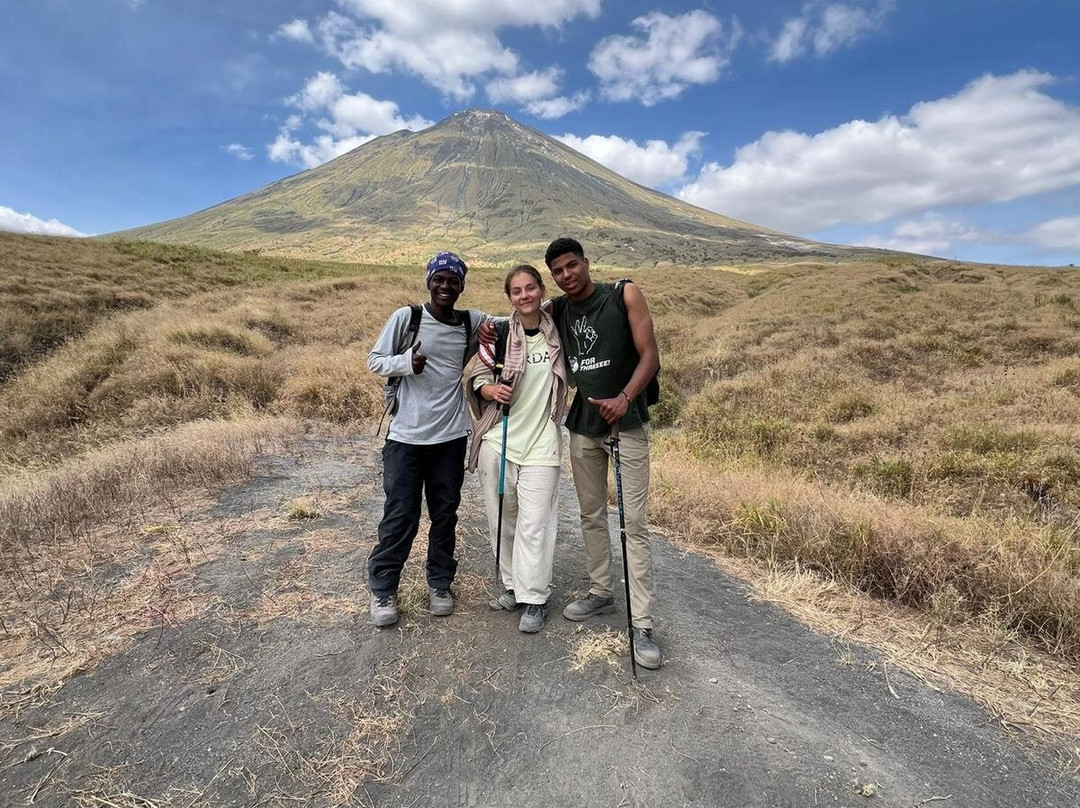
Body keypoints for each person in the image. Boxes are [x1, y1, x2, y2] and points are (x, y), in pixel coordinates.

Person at [545, 237, 663, 669]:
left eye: (571, 266)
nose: (566, 276)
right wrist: (489, 328)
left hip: (626, 423)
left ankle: (643, 623)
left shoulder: (623, 293)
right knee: (591, 513)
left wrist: (626, 398)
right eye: (557, 271)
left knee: (633, 521)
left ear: (586, 263)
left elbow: (649, 355)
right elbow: (521, 319)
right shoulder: (557, 308)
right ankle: (600, 591)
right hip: (583, 425)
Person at [366, 252, 484, 628]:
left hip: (450, 437)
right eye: (440, 279)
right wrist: (405, 363)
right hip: (406, 437)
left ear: (461, 285)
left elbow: (515, 318)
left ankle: (440, 583)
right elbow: (374, 360)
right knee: (401, 514)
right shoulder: (408, 318)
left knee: (445, 514)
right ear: (428, 282)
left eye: (453, 280)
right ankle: (384, 586)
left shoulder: (470, 322)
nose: (446, 286)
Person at [465, 265, 568, 633]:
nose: (524, 296)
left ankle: (535, 597)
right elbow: (477, 372)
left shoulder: (559, 330)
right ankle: (511, 585)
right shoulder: (499, 333)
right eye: (516, 291)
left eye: (530, 288)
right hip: (499, 440)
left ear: (542, 290)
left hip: (542, 442)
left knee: (536, 524)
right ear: (509, 297)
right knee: (503, 519)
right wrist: (488, 390)